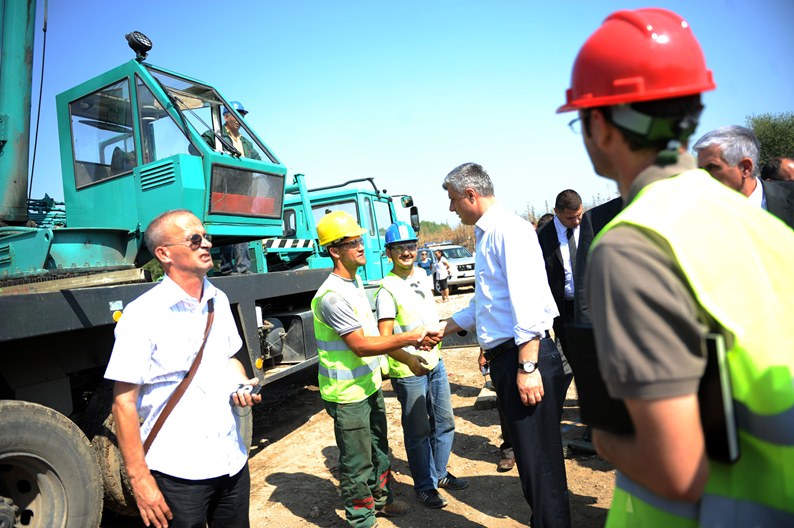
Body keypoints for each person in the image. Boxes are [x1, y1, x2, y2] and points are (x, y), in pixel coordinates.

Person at [558, 7, 794, 526]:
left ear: (598, 123)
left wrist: (600, 435)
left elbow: (676, 473)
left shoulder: (632, 243)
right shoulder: (763, 226)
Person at [106, 209, 262, 528]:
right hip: (178, 473)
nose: (205, 243)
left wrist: (241, 385)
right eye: (194, 238)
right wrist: (140, 480)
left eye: (206, 237)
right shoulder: (142, 315)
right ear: (164, 253)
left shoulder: (218, 298)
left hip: (231, 462)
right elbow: (123, 402)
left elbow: (227, 359)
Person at [437, 163, 569, 527]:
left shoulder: (507, 231)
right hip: (511, 358)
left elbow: (527, 303)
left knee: (541, 468)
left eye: (452, 200)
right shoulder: (488, 234)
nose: (451, 209)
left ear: (470, 195)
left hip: (524, 358)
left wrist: (528, 368)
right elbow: (488, 302)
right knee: (531, 464)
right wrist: (445, 327)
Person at [312, 210, 441, 528]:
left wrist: (408, 358)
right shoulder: (331, 297)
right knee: (357, 461)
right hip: (347, 396)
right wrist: (409, 338)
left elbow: (375, 341)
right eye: (352, 242)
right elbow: (361, 345)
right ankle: (362, 518)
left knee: (380, 449)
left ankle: (381, 500)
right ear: (334, 251)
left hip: (368, 387)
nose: (360, 246)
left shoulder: (354, 285)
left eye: (359, 240)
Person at [375, 221, 469, 510]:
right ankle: (425, 486)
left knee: (444, 422)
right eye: (399, 248)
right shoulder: (386, 289)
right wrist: (410, 359)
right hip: (408, 370)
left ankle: (439, 474)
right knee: (417, 431)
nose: (406, 252)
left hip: (435, 362)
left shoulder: (422, 275)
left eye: (410, 246)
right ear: (388, 252)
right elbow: (386, 338)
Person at [693, 125, 794, 228]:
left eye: (712, 167)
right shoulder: (697, 213)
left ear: (745, 168)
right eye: (700, 169)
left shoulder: (790, 199)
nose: (702, 176)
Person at [202, 100, 262, 275]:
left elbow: (257, 161)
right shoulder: (216, 135)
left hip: (244, 191)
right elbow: (198, 145)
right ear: (226, 117)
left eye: (242, 116)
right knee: (225, 227)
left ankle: (243, 268)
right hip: (224, 189)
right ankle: (227, 268)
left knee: (242, 228)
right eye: (237, 116)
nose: (240, 120)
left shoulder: (246, 143)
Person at [537, 190, 583, 390]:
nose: (576, 221)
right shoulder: (541, 237)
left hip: (590, 306)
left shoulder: (590, 226)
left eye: (579, 215)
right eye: (570, 218)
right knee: (570, 358)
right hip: (562, 309)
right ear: (556, 212)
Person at [477, 347, 516, 472]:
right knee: (505, 400)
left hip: (534, 347)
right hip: (503, 350)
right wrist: (483, 352)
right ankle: (509, 450)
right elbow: (486, 327)